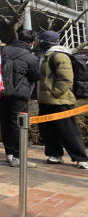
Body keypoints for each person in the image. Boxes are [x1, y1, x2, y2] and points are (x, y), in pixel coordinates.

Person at [36, 31, 88, 169]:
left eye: (41, 41)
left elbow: (66, 78)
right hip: (46, 101)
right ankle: (55, 155)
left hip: (60, 101)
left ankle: (80, 158)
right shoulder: (45, 55)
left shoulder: (60, 55)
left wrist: (55, 93)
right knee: (48, 130)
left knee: (69, 131)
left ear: (47, 42)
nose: (39, 44)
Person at [0, 29, 39, 168]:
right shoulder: (31, 57)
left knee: (5, 121)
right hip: (19, 95)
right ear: (32, 42)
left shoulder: (2, 50)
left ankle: (9, 153)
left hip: (1, 92)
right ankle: (18, 156)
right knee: (18, 124)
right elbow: (35, 76)